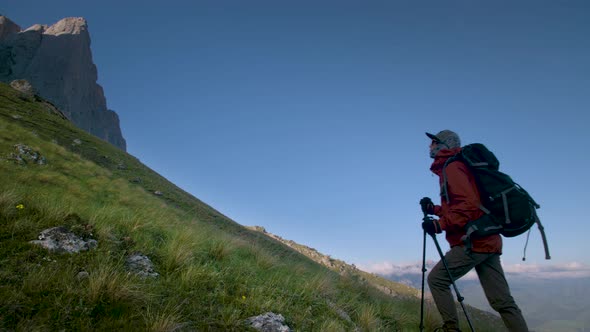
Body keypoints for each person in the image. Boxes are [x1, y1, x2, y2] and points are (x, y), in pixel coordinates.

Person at [421, 130, 528, 332]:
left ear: (444, 144)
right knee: (502, 301)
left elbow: (469, 206)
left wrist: (439, 225)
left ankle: (451, 329)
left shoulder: (452, 168)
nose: (429, 146)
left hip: (473, 241)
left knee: (437, 280)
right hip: (488, 239)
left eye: (433, 142)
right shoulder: (458, 166)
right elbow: (462, 205)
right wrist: (433, 210)